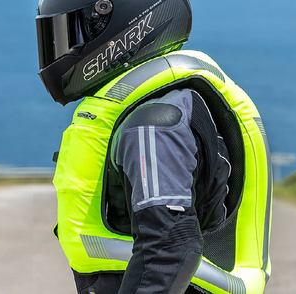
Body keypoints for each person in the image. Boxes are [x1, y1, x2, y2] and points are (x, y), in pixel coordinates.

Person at [35, 0, 273, 293]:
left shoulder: (154, 123)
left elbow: (171, 245)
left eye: (70, 31)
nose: (60, 48)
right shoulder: (169, 105)